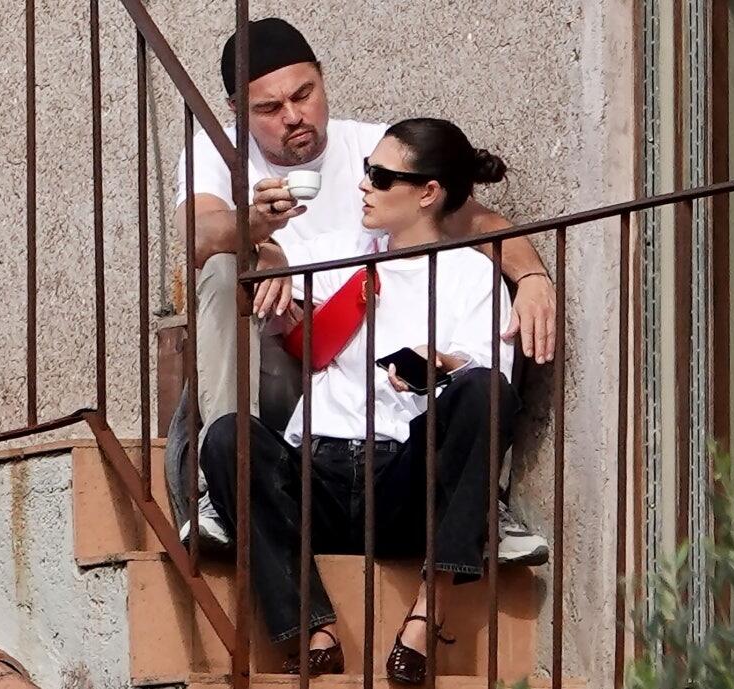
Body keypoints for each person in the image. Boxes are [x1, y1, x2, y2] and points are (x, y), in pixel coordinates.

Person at [165, 17, 550, 565]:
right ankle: (222, 492)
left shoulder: (377, 150)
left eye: (304, 94)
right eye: (269, 108)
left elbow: (477, 221)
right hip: (277, 357)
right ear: (237, 112)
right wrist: (258, 233)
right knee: (225, 270)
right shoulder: (215, 149)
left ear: (323, 79)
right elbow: (199, 237)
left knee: (479, 344)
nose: (293, 116)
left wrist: (532, 278)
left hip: (371, 372)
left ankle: (481, 506)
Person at [201, 118, 521, 684]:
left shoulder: (472, 275)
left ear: (428, 192)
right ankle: (313, 630)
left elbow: (488, 384)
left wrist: (442, 364)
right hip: (316, 475)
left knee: (486, 390)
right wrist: (265, 241)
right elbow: (253, 255)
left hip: (401, 485)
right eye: (368, 170)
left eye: (381, 175)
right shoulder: (342, 251)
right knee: (229, 437)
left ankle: (428, 612)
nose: (364, 184)